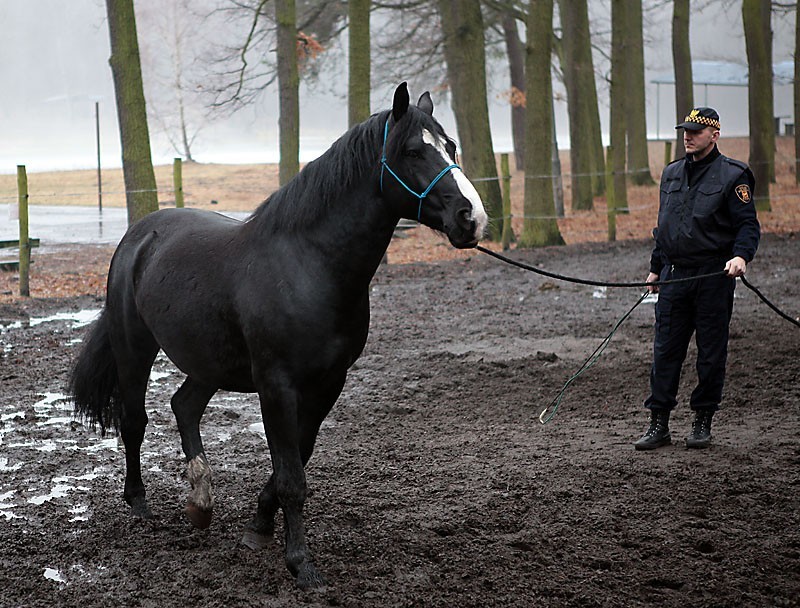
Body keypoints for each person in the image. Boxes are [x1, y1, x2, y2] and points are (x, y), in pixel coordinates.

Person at [635, 107, 760, 450]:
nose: (687, 136)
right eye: (685, 131)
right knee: (665, 351)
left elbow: (747, 225)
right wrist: (656, 266)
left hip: (712, 276)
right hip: (675, 277)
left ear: (714, 135)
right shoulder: (671, 174)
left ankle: (702, 420)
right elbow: (666, 226)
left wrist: (740, 256)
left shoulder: (734, 175)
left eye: (695, 131)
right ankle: (658, 423)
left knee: (710, 353)